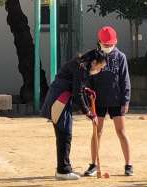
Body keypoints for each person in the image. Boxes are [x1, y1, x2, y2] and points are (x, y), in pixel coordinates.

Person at [41, 49, 107, 180]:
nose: (100, 70)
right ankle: (63, 170)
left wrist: (85, 90)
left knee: (64, 134)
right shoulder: (81, 68)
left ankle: (64, 168)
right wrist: (89, 113)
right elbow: (77, 93)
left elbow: (76, 85)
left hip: (60, 99)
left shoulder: (79, 64)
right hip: (60, 101)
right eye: (100, 67)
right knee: (64, 134)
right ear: (94, 62)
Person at [84, 26, 133, 177]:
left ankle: (128, 164)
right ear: (99, 42)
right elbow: (88, 79)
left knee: (121, 131)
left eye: (110, 44)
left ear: (115, 42)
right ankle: (93, 164)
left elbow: (125, 80)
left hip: (116, 100)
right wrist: (88, 99)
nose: (108, 47)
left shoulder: (120, 57)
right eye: (105, 44)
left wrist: (125, 101)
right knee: (96, 132)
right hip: (97, 101)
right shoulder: (94, 57)